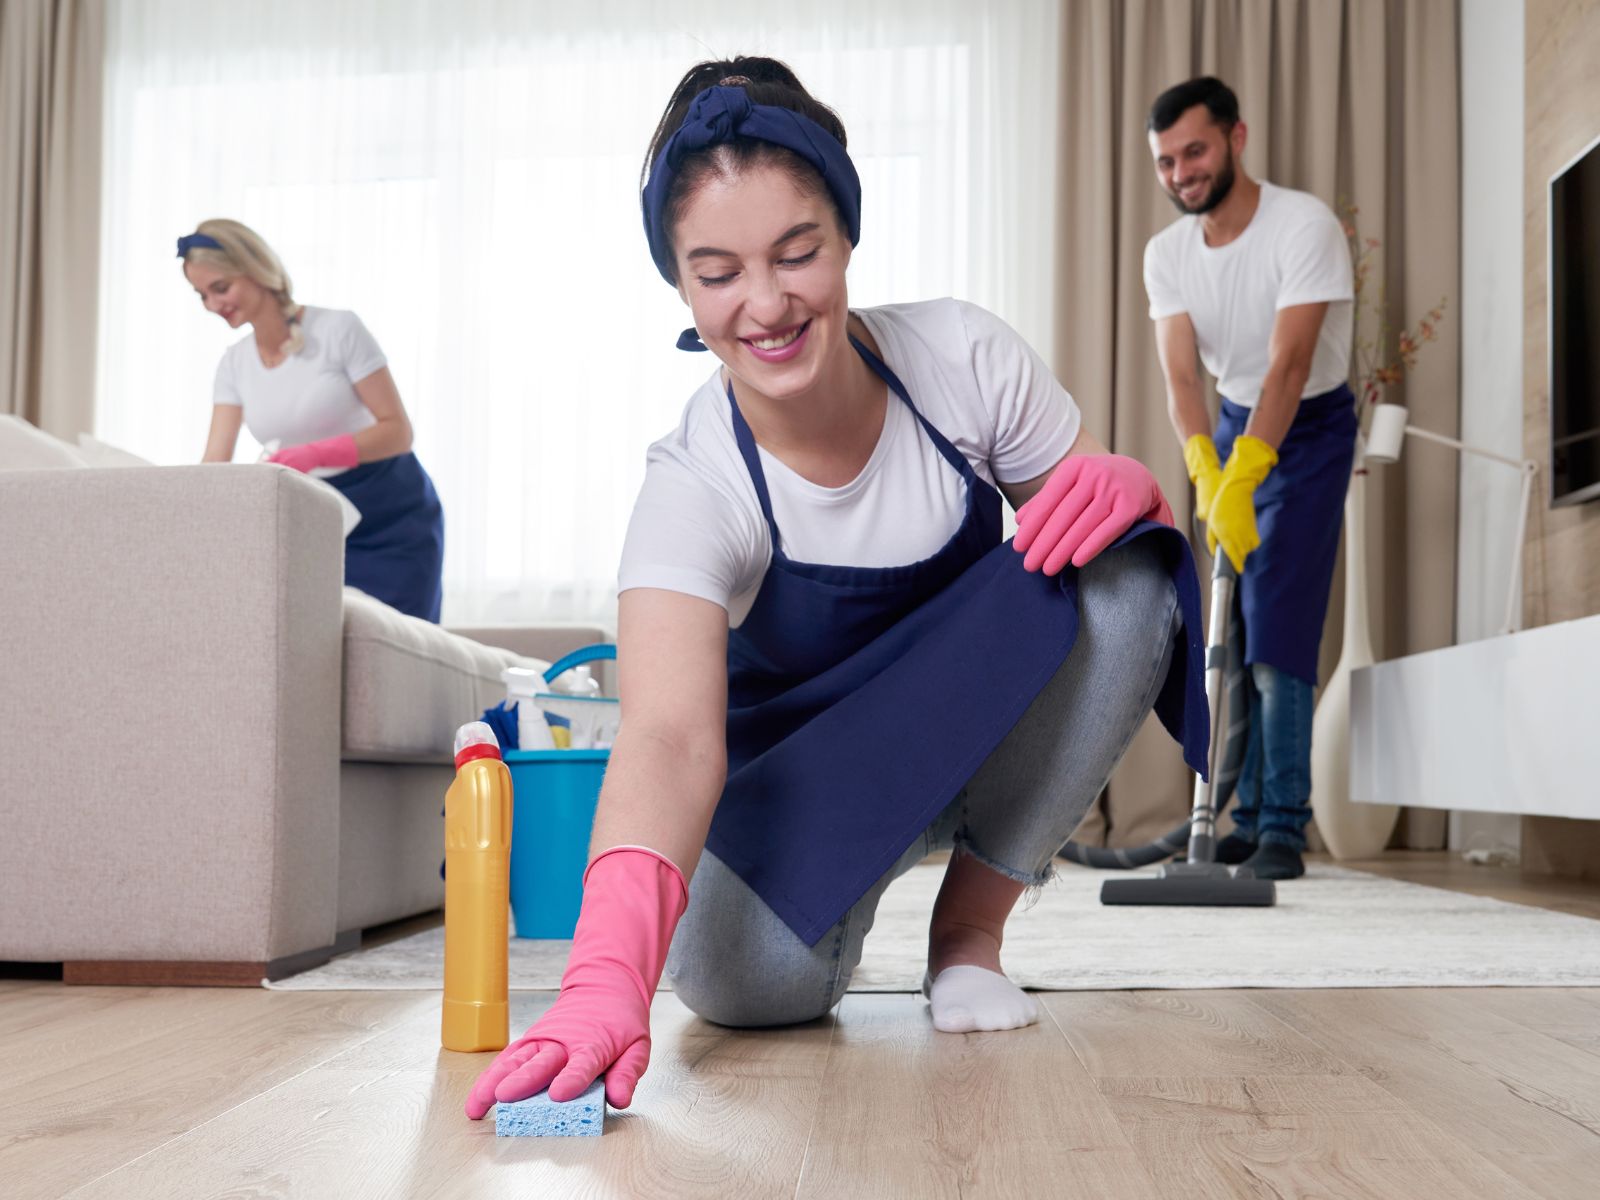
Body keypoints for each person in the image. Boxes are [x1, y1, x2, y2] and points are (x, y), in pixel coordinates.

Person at [466, 57, 1209, 1121]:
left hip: (977, 730)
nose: (766, 305)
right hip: (808, 782)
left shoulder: (960, 358)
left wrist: (1135, 492)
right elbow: (667, 737)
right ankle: (837, 903)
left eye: (796, 253)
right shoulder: (694, 483)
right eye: (718, 272)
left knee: (1134, 572)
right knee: (741, 987)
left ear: (846, 236)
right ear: (681, 285)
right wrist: (602, 980)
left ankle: (969, 933)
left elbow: (1101, 576)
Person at [1143, 77, 1357, 881]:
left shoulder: (1302, 226)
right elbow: (1181, 378)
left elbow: (1290, 367)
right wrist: (1207, 466)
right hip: (1232, 425)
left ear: (1236, 138)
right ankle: (1245, 814)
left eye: (1194, 151)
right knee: (1231, 625)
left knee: (1278, 624)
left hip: (1310, 428)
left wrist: (1251, 471)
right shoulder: (1167, 254)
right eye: (1166, 161)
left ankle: (1283, 826)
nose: (1181, 173)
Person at [178, 219, 446, 622]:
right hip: (320, 524)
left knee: (401, 644)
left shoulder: (339, 330)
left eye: (221, 288)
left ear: (255, 270)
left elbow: (398, 431)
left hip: (393, 517)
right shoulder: (234, 364)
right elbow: (214, 462)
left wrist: (314, 454)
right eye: (202, 295)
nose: (213, 305)